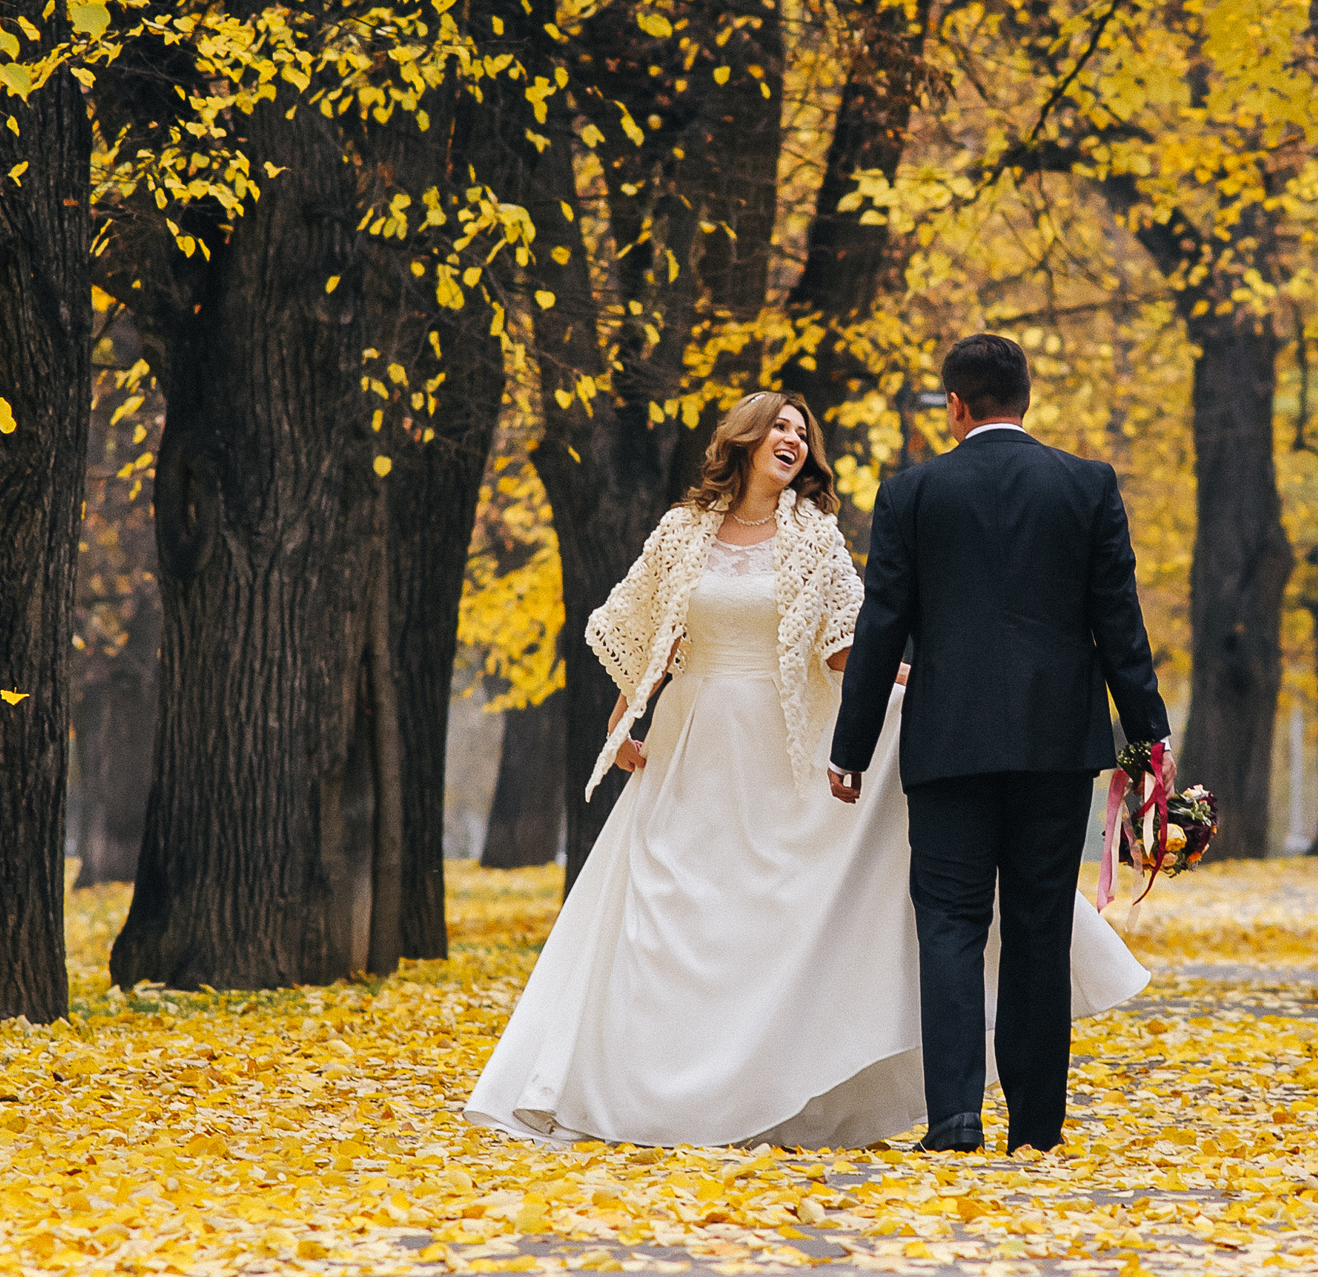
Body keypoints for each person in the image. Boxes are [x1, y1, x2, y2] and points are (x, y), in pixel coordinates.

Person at [466, 390, 1148, 1149]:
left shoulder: (813, 538)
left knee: (762, 919)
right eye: (780, 426)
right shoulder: (680, 531)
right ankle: (645, 1094)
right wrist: (626, 714)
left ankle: (765, 1090)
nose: (793, 437)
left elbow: (851, 647)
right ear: (746, 439)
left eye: (802, 428)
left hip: (779, 744)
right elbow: (651, 629)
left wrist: (935, 683)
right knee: (666, 913)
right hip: (693, 742)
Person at [832, 333, 1171, 1155]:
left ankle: (954, 1118)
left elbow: (883, 628)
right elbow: (1118, 622)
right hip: (1058, 746)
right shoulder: (1086, 485)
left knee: (947, 923)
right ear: (1027, 396)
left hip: (948, 745)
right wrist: (1148, 738)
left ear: (955, 403)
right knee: (1036, 926)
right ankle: (1037, 1124)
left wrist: (852, 744)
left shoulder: (911, 492)